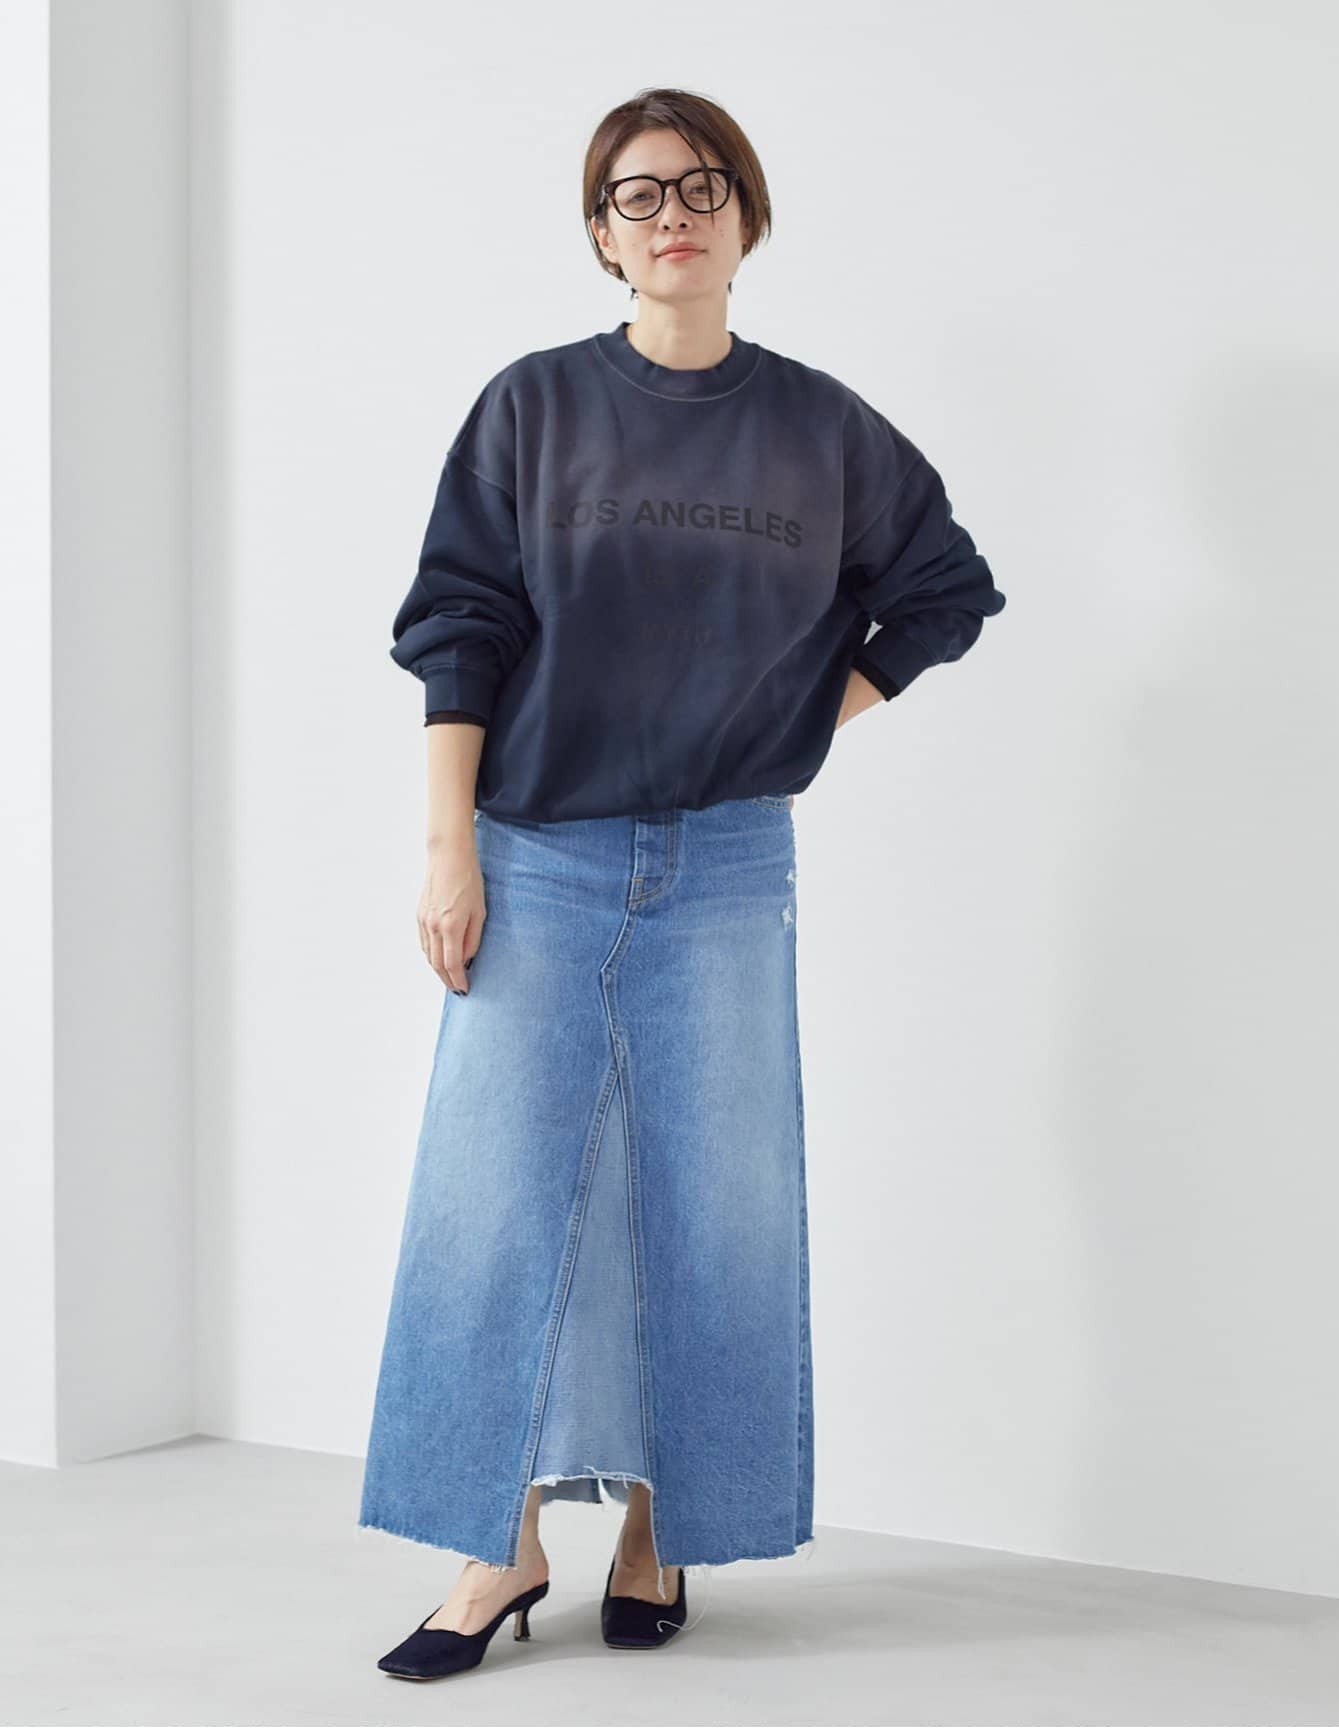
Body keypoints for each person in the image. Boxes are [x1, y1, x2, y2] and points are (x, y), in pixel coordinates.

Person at [359, 86, 1007, 1680]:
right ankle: (497, 1544)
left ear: (747, 218)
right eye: (639, 194)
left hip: (724, 864)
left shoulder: (821, 430)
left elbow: (945, 591)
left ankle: (666, 1525)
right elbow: (460, 625)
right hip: (536, 849)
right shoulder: (534, 408)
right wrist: (447, 845)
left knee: (716, 1202)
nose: (674, 215)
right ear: (602, 234)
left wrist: (796, 719)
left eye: (705, 187)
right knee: (493, 1201)